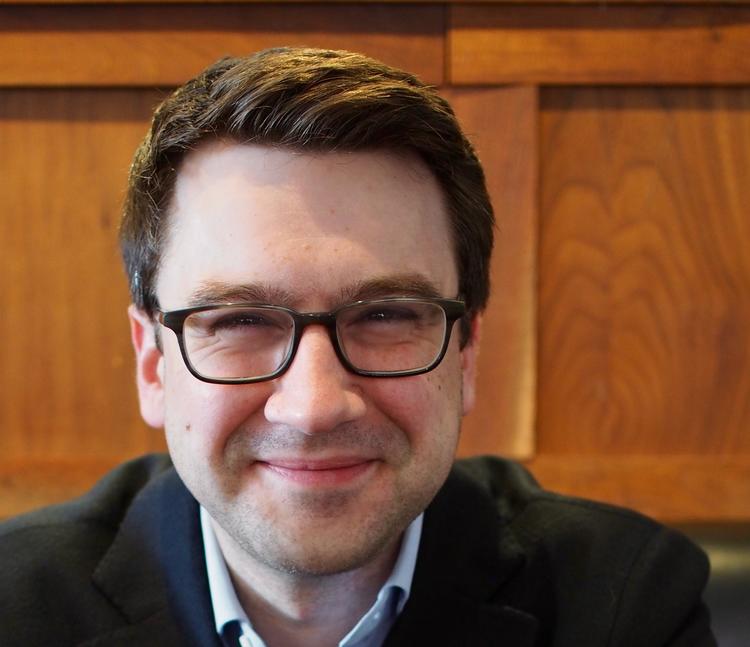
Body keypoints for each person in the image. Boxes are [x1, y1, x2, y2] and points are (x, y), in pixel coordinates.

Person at [0, 47, 715, 647]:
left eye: (385, 313)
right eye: (241, 320)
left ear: (465, 354)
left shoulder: (625, 606)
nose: (313, 407)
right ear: (153, 363)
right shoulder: (15, 609)